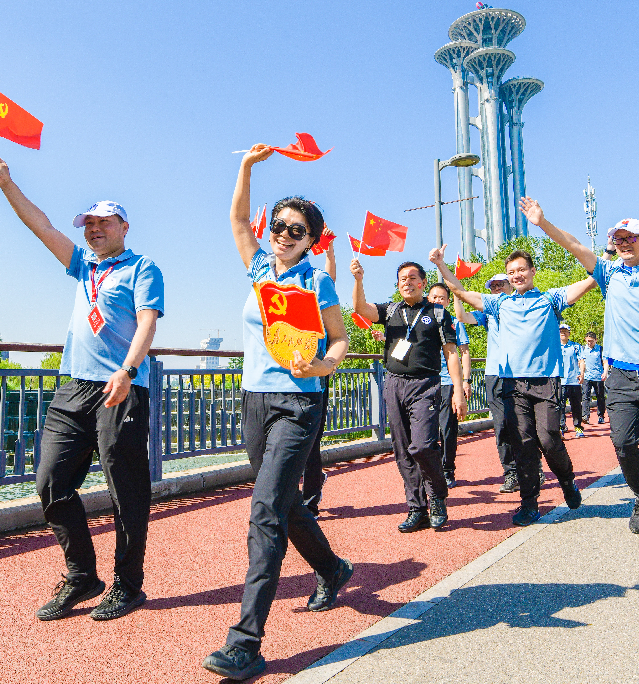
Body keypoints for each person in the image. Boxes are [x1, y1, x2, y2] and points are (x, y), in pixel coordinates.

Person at [0, 155, 163, 621]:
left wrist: (127, 370)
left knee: (125, 490)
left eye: (104, 222)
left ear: (124, 227)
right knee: (51, 481)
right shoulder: (83, 265)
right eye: (89, 224)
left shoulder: (142, 268)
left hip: (121, 388)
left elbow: (148, 322)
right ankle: (82, 575)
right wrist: (7, 185)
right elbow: (41, 226)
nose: (94, 229)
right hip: (75, 388)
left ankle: (128, 584)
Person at [201, 144, 353, 681]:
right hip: (255, 400)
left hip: (299, 403)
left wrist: (322, 366)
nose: (284, 235)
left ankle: (245, 642)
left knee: (265, 511)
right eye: (280, 226)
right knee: (284, 501)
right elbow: (238, 219)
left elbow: (340, 340)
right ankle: (332, 568)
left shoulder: (317, 281)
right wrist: (245, 167)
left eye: (297, 230)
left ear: (312, 240)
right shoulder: (260, 269)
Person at [520, 199, 639, 546]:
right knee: (623, 444)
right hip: (621, 376)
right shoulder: (608, 274)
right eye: (618, 239)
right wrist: (542, 222)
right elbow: (573, 245)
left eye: (630, 238)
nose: (623, 244)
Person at [431, 245, 598, 526]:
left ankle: (567, 480)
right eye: (511, 272)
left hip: (546, 381)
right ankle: (529, 504)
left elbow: (589, 282)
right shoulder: (500, 304)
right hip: (513, 384)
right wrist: (440, 264)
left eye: (521, 270)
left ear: (532, 271)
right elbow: (460, 291)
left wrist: (606, 257)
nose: (517, 275)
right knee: (523, 444)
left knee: (549, 439)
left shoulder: (550, 299)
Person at [352, 260, 466, 532]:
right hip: (394, 384)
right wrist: (358, 279)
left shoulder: (437, 313)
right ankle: (417, 508)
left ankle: (437, 496)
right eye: (402, 278)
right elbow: (360, 309)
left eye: (413, 277)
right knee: (403, 450)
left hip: (425, 384)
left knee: (424, 446)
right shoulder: (391, 311)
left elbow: (451, 353)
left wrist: (458, 391)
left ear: (423, 283)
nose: (407, 282)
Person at [453, 273, 522, 494]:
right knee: (501, 426)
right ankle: (511, 473)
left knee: (524, 424)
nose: (497, 289)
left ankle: (533, 467)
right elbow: (462, 316)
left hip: (520, 373)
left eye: (501, 284)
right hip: (494, 373)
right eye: (493, 287)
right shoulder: (488, 312)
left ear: (510, 285)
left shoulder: (522, 305)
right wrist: (456, 293)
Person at [301, 229, 338, 518]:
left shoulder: (317, 283)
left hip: (316, 371)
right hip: (283, 371)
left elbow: (329, 279)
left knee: (311, 440)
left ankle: (310, 499)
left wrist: (329, 251)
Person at [427, 282, 473, 488]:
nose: (437, 300)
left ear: (447, 302)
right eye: (434, 297)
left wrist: (465, 381)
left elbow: (464, 352)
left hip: (447, 382)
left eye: (442, 298)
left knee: (447, 429)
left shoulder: (454, 322)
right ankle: (430, 471)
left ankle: (447, 470)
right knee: (425, 430)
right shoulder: (421, 320)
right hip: (426, 383)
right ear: (428, 299)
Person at [558, 323, 585, 437]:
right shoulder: (555, 347)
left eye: (565, 331)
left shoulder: (576, 346)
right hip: (560, 381)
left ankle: (578, 427)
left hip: (574, 381)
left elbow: (581, 361)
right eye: (561, 331)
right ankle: (561, 427)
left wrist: (582, 373)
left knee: (576, 406)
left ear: (569, 333)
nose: (563, 333)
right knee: (560, 406)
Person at [580, 331, 607, 424]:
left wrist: (605, 373)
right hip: (587, 377)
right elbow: (580, 361)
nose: (589, 343)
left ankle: (601, 416)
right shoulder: (583, 349)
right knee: (585, 396)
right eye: (588, 341)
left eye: (591, 341)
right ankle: (585, 416)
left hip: (598, 377)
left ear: (596, 340)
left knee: (600, 397)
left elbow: (605, 362)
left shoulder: (600, 349)